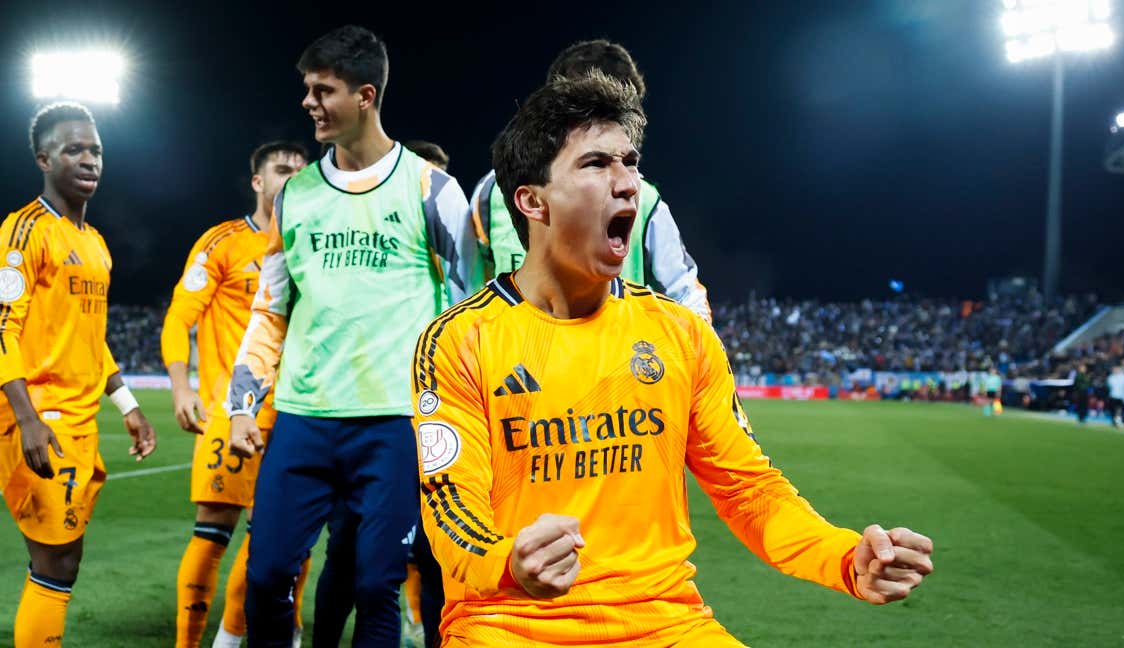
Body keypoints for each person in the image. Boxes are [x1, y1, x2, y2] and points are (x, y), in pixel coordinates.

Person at [411, 72, 933, 647]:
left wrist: (844, 558)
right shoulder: (460, 339)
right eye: (595, 164)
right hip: (509, 625)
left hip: (666, 625)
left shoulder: (679, 334)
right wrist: (508, 561)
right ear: (533, 201)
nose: (627, 183)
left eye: (629, 162)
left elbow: (750, 490)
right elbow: (451, 510)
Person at [225, 26, 475, 647]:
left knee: (374, 587)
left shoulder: (433, 191)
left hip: (393, 422)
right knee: (266, 578)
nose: (309, 103)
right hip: (305, 418)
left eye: (323, 90)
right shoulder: (295, 196)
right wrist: (241, 402)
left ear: (366, 95)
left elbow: (474, 310)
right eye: (307, 90)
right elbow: (271, 308)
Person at [0, 102, 157, 647]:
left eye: (95, 150)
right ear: (44, 158)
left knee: (62, 562)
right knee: (56, 561)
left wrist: (129, 405)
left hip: (82, 420)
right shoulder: (24, 231)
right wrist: (26, 420)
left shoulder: (95, 245)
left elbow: (92, 341)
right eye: (74, 149)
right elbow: (2, 327)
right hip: (43, 417)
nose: (89, 159)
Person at [161, 142, 308, 648]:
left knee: (292, 543)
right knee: (213, 532)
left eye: (300, 170)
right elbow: (179, 318)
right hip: (233, 412)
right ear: (257, 181)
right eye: (281, 169)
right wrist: (181, 386)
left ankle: (241, 636)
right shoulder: (223, 242)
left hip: (296, 414)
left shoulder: (311, 243)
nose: (291, 178)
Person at [312, 139, 450, 648]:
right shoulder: (375, 269)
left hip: (439, 428)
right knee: (346, 552)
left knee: (438, 556)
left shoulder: (457, 267)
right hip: (374, 423)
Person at [469, 39, 710, 321]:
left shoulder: (643, 198)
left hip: (617, 357)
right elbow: (468, 288)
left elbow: (687, 295)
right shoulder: (491, 195)